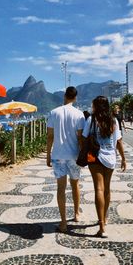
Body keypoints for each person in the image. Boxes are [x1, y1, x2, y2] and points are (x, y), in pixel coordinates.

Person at [82, 96, 126, 238]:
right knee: (107, 189)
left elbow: (84, 138)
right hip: (111, 158)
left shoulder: (91, 120)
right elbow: (119, 141)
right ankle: (105, 219)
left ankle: (101, 226)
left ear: (96, 106)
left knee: (98, 189)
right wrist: (123, 159)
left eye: (93, 105)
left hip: (95, 157)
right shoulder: (114, 120)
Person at [47, 86, 85, 233]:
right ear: (75, 98)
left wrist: (48, 155)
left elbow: (50, 136)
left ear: (64, 96)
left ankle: (63, 222)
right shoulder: (79, 114)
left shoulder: (53, 112)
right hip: (74, 156)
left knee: (60, 188)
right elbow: (80, 138)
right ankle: (76, 214)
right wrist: (82, 155)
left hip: (58, 156)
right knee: (75, 185)